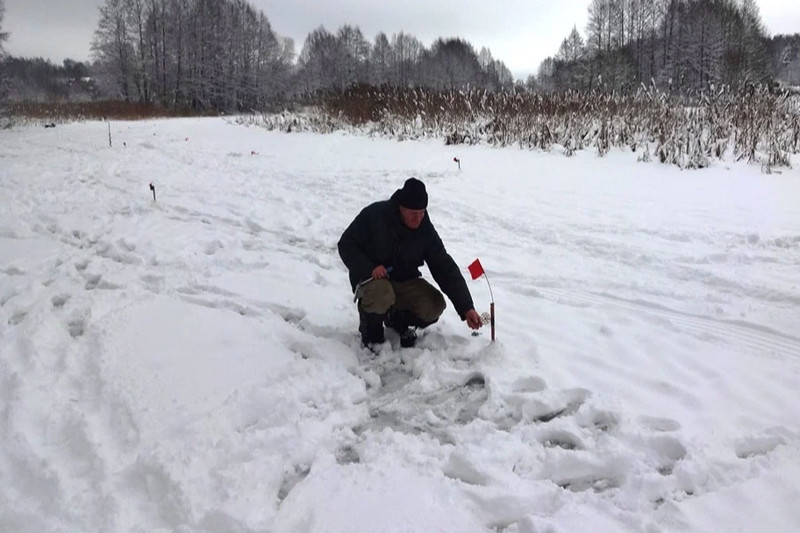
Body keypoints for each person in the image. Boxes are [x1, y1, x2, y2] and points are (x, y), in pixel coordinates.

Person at [338, 177, 483, 350]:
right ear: (401, 207)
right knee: (382, 293)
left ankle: (396, 320)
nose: (418, 218)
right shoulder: (375, 215)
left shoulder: (424, 230)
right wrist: (369, 269)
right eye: (414, 214)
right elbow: (346, 244)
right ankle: (371, 334)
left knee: (434, 305)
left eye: (422, 212)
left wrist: (466, 307)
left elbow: (444, 266)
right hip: (372, 281)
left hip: (404, 281)